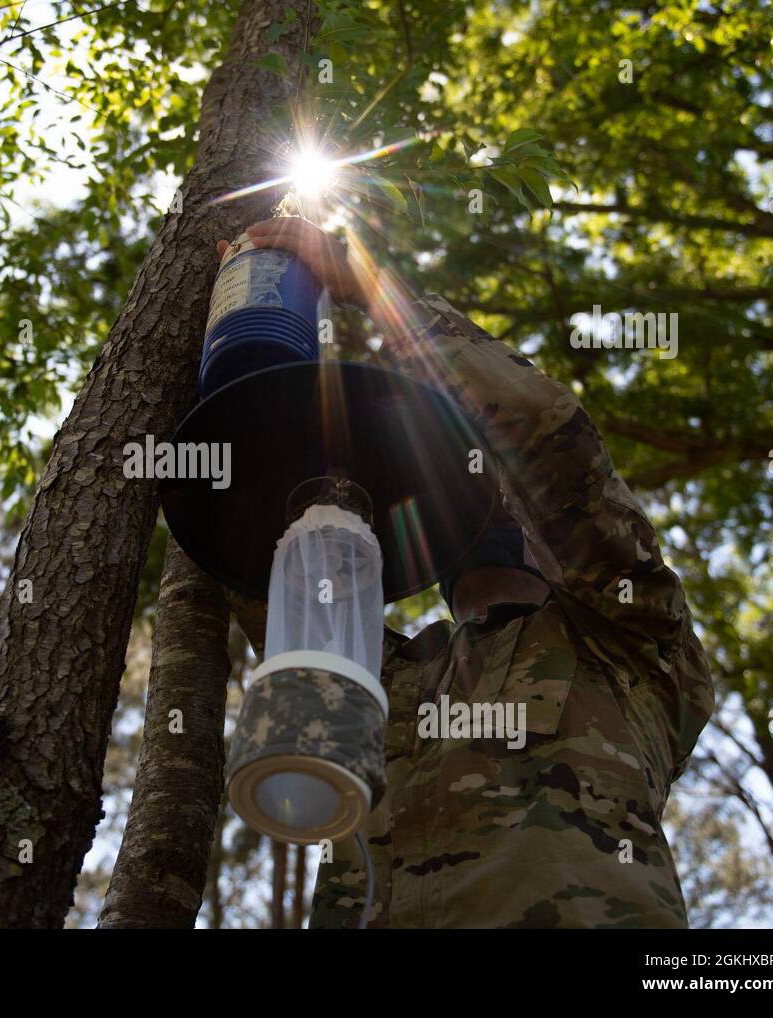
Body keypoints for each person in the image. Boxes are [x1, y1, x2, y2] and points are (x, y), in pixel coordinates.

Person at [220, 218, 715, 928]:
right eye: (457, 492)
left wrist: (372, 289)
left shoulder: (632, 638)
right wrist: (247, 316)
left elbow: (541, 432)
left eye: (497, 493)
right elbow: (253, 562)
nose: (483, 508)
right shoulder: (389, 681)